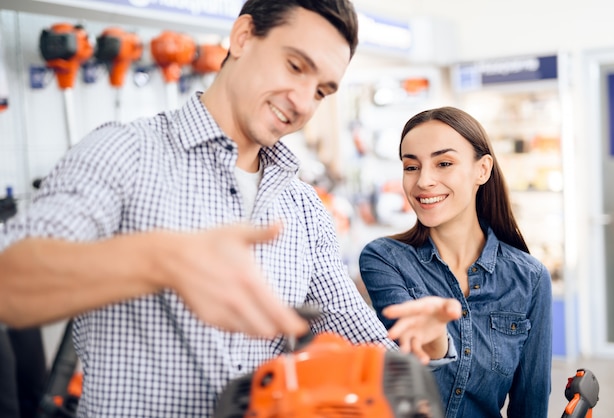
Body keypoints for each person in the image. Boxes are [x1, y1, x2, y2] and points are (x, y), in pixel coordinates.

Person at [0, 2, 461, 417]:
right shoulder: (124, 153)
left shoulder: (301, 207)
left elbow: (362, 346)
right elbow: (9, 284)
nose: (303, 101)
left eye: (321, 90)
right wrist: (159, 260)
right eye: (294, 65)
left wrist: (427, 342)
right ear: (242, 37)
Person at [359, 106, 552, 418]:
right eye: (411, 167)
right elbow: (412, 371)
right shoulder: (384, 259)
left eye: (443, 163)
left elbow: (531, 403)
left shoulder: (529, 279)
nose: (423, 181)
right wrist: (435, 342)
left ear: (482, 170)